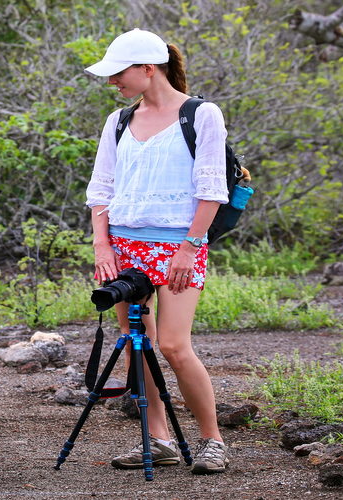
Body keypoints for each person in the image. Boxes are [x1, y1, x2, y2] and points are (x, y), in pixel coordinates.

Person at [84, 28, 231, 474]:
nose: (114, 82)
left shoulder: (201, 115)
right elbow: (102, 188)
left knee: (173, 344)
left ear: (150, 68)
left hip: (178, 246)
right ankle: (161, 440)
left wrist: (190, 246)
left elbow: (211, 188)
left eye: (119, 73)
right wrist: (101, 243)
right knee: (136, 345)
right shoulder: (119, 120)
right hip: (123, 246)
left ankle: (213, 441)